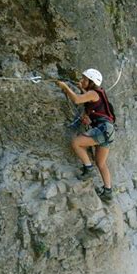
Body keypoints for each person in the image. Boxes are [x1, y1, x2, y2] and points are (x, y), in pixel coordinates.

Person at [56, 68, 115, 201]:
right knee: (101, 163)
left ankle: (88, 169)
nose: (81, 80)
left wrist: (65, 87)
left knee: (76, 143)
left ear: (91, 82)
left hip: (102, 128)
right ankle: (108, 191)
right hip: (108, 130)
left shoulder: (93, 93)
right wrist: (82, 89)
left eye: (84, 79)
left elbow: (77, 100)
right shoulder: (96, 94)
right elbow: (89, 101)